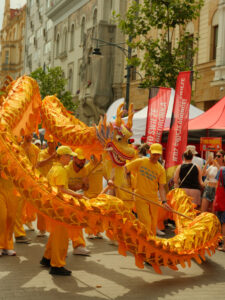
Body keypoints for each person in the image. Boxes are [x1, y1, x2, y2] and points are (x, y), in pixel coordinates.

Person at [40, 146, 83, 276]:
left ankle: (47, 258)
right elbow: (60, 190)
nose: (70, 159)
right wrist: (77, 195)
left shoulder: (53, 168)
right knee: (62, 237)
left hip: (53, 206)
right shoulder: (61, 170)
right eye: (69, 156)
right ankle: (57, 265)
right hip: (59, 207)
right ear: (62, 157)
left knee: (55, 234)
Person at [125, 143, 170, 235]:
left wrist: (164, 201)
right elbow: (125, 169)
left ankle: (149, 244)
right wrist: (125, 182)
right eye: (154, 154)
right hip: (140, 197)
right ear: (149, 152)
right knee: (146, 222)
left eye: (158, 154)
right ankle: (144, 244)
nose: (156, 156)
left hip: (153, 199)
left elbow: (161, 188)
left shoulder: (161, 169)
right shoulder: (141, 161)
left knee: (153, 225)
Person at [65, 148, 92, 255]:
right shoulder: (66, 169)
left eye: (84, 159)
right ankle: (61, 247)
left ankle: (79, 246)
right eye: (80, 159)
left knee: (78, 222)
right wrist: (73, 187)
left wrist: (85, 184)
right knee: (64, 224)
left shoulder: (84, 170)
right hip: (64, 200)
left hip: (77, 200)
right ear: (74, 158)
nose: (82, 161)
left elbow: (86, 188)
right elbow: (61, 187)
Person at [14, 134, 40, 243]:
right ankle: (19, 233)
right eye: (26, 134)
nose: (28, 136)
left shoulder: (36, 149)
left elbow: (37, 164)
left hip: (32, 180)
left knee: (30, 204)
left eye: (30, 134)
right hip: (20, 181)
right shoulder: (19, 148)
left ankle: (28, 221)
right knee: (18, 206)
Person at [36, 135, 58, 237]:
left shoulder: (58, 154)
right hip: (42, 184)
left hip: (54, 185)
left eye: (54, 142)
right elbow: (39, 164)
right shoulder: (42, 153)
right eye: (50, 142)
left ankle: (53, 229)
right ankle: (41, 229)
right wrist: (51, 157)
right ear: (48, 143)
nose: (52, 144)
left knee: (54, 208)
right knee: (41, 207)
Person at [215, 164, 225, 252]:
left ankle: (223, 244)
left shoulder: (222, 170)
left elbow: (218, 184)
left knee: (223, 222)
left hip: (223, 199)